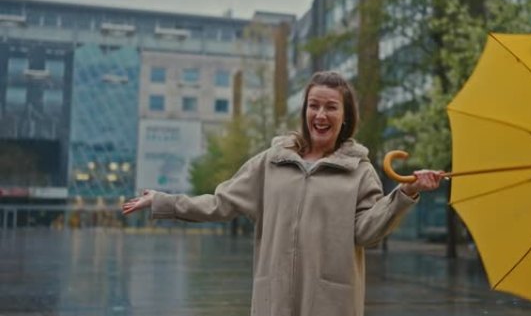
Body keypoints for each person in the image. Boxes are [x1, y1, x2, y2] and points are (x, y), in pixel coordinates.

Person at [122, 70, 443, 316]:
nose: (320, 115)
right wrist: (164, 201)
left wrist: (406, 192)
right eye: (314, 106)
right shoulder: (271, 162)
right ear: (304, 111)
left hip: (330, 303)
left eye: (331, 107)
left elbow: (367, 233)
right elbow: (220, 203)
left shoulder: (359, 171)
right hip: (273, 301)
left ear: (345, 116)